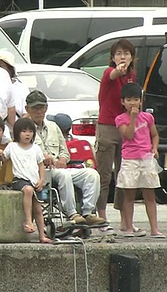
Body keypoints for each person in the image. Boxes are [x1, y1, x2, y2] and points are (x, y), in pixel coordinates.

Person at [25, 90, 107, 227]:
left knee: (92, 174)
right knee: (64, 175)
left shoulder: (53, 126)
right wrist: (41, 157)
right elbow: (22, 150)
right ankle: (72, 213)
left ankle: (87, 213)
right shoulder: (23, 128)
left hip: (59, 168)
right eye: (35, 108)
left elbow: (65, 150)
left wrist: (63, 159)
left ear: (46, 108)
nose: (38, 111)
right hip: (40, 172)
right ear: (27, 109)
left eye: (41, 107)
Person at [95, 39, 136, 231]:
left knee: (124, 175)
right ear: (112, 57)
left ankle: (124, 220)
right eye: (119, 53)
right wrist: (118, 70)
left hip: (125, 128)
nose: (122, 57)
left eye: (126, 53)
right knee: (104, 176)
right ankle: (101, 218)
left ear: (132, 56)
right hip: (107, 127)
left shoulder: (132, 75)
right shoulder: (108, 72)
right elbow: (112, 74)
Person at [115, 83, 164, 238]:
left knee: (149, 194)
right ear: (122, 102)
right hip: (130, 159)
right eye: (129, 100)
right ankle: (129, 228)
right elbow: (128, 135)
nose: (132, 103)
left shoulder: (148, 117)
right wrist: (133, 117)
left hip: (146, 158)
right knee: (129, 195)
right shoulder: (120, 119)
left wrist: (154, 148)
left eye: (136, 99)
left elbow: (154, 135)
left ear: (141, 101)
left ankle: (154, 229)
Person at [0, 118, 51, 243]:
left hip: (34, 181)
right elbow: (4, 157)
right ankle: (28, 221)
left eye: (30, 131)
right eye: (24, 131)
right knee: (28, 190)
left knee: (39, 209)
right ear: (18, 133)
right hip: (19, 180)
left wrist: (41, 180)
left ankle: (42, 236)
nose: (27, 134)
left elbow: (41, 165)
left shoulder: (36, 148)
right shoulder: (12, 146)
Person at [0, 51, 29, 118]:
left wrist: (18, 126)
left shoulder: (22, 88)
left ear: (10, 69)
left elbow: (27, 113)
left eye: (1, 66)